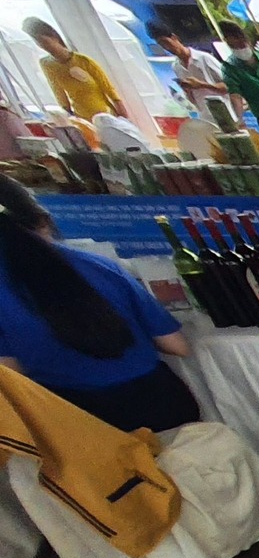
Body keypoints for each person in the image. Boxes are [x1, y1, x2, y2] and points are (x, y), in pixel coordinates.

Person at [0, 175, 200, 434]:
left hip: (79, 424)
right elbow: (177, 345)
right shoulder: (100, 265)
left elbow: (12, 377)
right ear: (42, 221)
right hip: (163, 405)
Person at [23, 19, 123, 123]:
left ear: (54, 37)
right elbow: (58, 92)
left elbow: (109, 90)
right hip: (82, 118)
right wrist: (68, 115)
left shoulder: (83, 61)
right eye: (38, 43)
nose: (44, 46)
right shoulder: (47, 64)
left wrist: (123, 117)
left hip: (105, 115)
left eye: (45, 42)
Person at [149, 24, 226, 114]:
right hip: (206, 114)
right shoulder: (176, 67)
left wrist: (201, 85)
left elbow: (230, 86)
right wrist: (187, 91)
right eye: (162, 45)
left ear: (174, 37)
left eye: (166, 42)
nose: (167, 47)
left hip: (224, 112)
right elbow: (193, 99)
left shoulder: (204, 58)